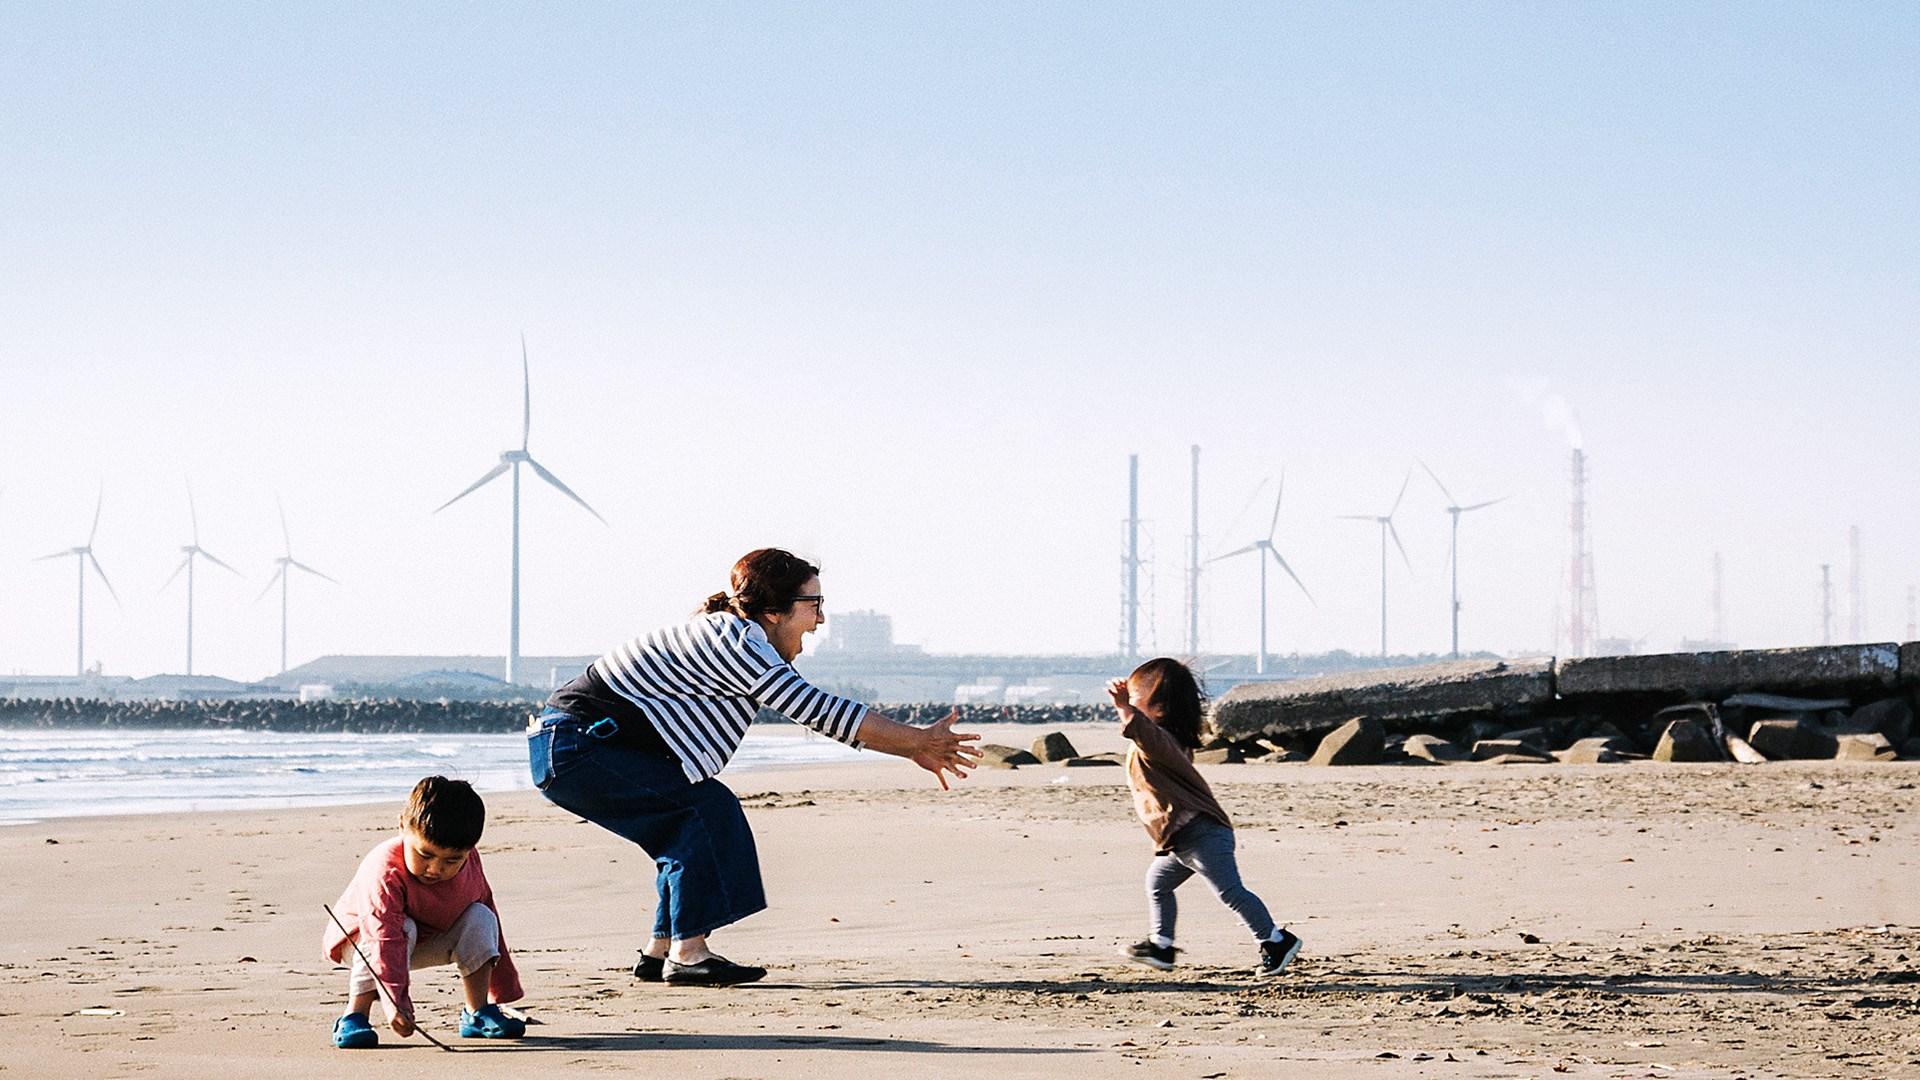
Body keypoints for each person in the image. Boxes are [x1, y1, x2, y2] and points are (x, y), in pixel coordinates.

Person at [530, 547, 980, 985]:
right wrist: (918, 740)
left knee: (687, 819)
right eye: (814, 605)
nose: (820, 620)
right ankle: (689, 954)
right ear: (773, 610)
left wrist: (911, 750)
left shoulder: (735, 636)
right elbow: (818, 709)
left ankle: (661, 950)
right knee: (702, 810)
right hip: (578, 748)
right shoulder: (735, 643)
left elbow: (825, 716)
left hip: (571, 747)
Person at [1108, 657, 1301, 977]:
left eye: (1135, 698)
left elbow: (1137, 729)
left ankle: (1275, 940)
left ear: (1159, 708)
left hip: (1201, 834)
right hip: (1182, 839)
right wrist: (1129, 705)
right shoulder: (1166, 740)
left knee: (1231, 892)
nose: (1130, 704)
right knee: (1157, 882)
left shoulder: (1160, 741)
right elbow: (1140, 731)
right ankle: (1161, 946)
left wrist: (1121, 706)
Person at [323, 775, 526, 1048]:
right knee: (403, 927)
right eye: (425, 855)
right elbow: (383, 935)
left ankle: (476, 1013)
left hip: (426, 939)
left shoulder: (470, 863)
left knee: (481, 916)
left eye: (452, 860)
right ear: (402, 827)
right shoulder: (384, 868)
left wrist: (502, 987)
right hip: (365, 938)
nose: (435, 869)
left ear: (470, 851)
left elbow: (488, 910)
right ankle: (355, 1015)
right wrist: (397, 1003)